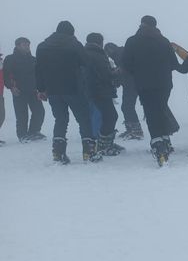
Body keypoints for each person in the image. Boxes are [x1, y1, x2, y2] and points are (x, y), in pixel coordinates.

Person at [35, 21, 101, 163]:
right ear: (71, 32)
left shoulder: (42, 46)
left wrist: (41, 89)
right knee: (84, 119)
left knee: (60, 119)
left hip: (53, 90)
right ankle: (89, 152)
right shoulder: (74, 44)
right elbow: (86, 62)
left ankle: (58, 153)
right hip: (74, 88)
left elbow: (38, 69)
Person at [123, 15, 180, 164]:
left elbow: (126, 65)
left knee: (151, 113)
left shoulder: (132, 41)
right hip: (164, 84)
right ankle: (166, 141)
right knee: (161, 109)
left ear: (141, 25)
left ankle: (158, 145)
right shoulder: (164, 41)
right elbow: (174, 64)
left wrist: (137, 72)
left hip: (144, 84)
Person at [83, 33, 125, 156]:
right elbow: (105, 74)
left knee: (108, 116)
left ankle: (105, 144)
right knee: (110, 116)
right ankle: (104, 145)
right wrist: (116, 72)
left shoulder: (85, 53)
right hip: (100, 90)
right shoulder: (97, 54)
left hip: (92, 90)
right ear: (99, 42)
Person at [3, 37, 46, 142]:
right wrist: (11, 87)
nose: (27, 46)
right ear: (17, 46)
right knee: (22, 115)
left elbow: (39, 75)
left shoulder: (33, 60)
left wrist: (41, 89)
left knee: (39, 111)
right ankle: (22, 135)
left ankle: (34, 132)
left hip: (33, 91)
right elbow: (6, 75)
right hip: (18, 91)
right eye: (24, 44)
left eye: (28, 44)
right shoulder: (10, 59)